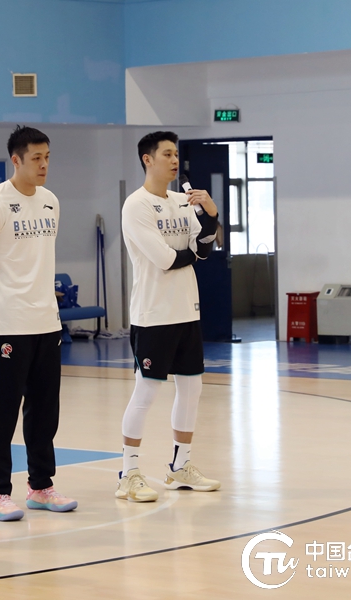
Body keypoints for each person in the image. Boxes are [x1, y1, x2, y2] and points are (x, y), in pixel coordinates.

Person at [0, 125, 77, 522]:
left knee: (44, 412)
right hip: (7, 328)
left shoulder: (50, 202)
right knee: (2, 412)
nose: (44, 165)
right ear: (16, 160)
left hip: (46, 324)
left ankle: (41, 486)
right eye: (36, 158)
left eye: (47, 157)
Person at [118, 131, 221, 503]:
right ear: (148, 159)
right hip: (153, 314)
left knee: (192, 389)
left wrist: (211, 215)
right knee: (146, 392)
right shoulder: (136, 205)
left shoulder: (182, 200)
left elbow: (204, 250)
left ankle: (180, 467)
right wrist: (193, 250)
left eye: (176, 154)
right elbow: (165, 259)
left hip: (186, 310)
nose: (174, 160)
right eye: (167, 154)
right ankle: (128, 473)